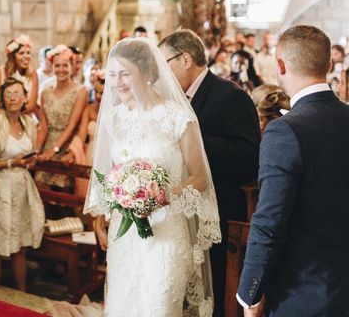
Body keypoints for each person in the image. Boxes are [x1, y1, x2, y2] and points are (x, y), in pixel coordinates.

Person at [85, 38, 221, 316]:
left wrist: (161, 196)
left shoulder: (177, 117)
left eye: (125, 74)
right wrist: (106, 208)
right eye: (112, 75)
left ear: (146, 74)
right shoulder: (113, 118)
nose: (117, 82)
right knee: (123, 303)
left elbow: (199, 177)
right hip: (125, 232)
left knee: (158, 306)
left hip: (167, 232)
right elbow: (106, 175)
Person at [238, 25, 349, 316]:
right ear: (328, 65)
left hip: (301, 291)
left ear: (280, 65)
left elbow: (269, 221)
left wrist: (249, 293)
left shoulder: (284, 131)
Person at [159, 29, 260, 317]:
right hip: (182, 212)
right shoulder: (172, 100)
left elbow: (248, 158)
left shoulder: (230, 96)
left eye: (165, 63)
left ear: (186, 58)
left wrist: (194, 140)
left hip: (218, 211)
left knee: (212, 293)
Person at [0, 78, 45, 292]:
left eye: (17, 93)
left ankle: (21, 292)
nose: (12, 97)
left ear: (25, 98)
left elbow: (27, 153)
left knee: (19, 244)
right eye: (8, 94)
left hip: (21, 187)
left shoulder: (29, 124)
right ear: (3, 99)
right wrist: (12, 162)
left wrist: (29, 161)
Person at [35, 45, 88, 190]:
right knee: (44, 193)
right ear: (52, 67)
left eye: (65, 65)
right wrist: (37, 151)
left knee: (65, 197)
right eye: (57, 66)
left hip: (67, 147)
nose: (61, 70)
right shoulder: (45, 93)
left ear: (71, 67)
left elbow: (72, 126)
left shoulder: (80, 91)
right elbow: (43, 127)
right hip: (48, 148)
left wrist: (55, 150)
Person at [0, 35, 38, 116]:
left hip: (25, 119)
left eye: (28, 53)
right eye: (21, 53)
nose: (26, 57)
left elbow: (31, 105)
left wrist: (11, 115)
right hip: (2, 121)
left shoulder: (32, 74)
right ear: (12, 56)